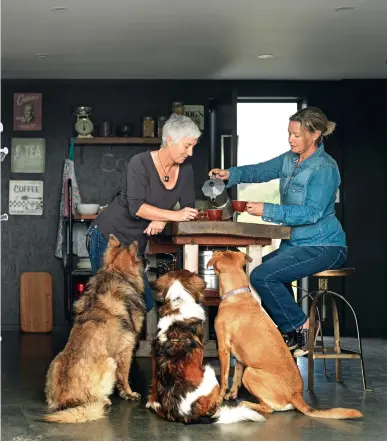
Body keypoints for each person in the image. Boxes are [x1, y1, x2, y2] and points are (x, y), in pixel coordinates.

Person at [209, 107, 346, 357]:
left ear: (314, 135)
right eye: (289, 133)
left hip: (324, 246)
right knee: (255, 272)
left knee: (263, 276)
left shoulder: (325, 168)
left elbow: (312, 213)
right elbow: (260, 171)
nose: (290, 139)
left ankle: (301, 328)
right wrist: (230, 174)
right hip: (295, 244)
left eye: (296, 134)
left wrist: (267, 209)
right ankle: (291, 333)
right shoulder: (290, 159)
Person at [87, 114, 200, 312]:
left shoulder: (186, 170)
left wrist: (162, 219)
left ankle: (135, 344)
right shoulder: (139, 163)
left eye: (193, 147)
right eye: (187, 146)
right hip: (107, 237)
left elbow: (187, 210)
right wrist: (171, 215)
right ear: (169, 140)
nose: (190, 153)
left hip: (134, 247)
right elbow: (136, 208)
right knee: (109, 306)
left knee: (143, 306)